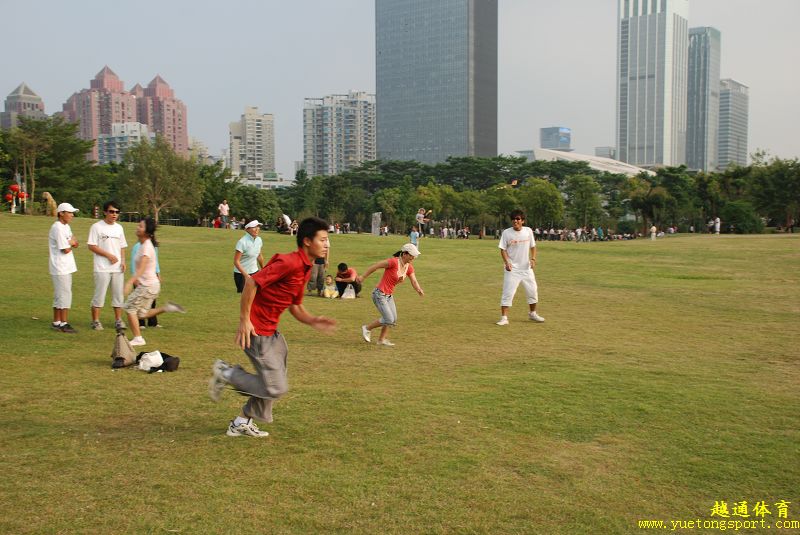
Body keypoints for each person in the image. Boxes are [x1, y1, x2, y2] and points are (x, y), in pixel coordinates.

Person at [208, 217, 337, 438]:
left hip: (272, 333)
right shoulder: (289, 263)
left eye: (327, 240)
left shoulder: (305, 268)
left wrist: (313, 320)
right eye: (323, 240)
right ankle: (226, 373)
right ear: (307, 241)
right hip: (256, 331)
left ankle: (241, 422)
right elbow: (252, 282)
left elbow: (295, 306)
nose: (327, 245)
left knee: (273, 382)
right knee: (276, 387)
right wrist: (245, 319)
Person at [123, 217, 185, 346]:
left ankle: (138, 338)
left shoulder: (146, 247)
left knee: (130, 308)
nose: (137, 228)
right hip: (151, 285)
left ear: (147, 232)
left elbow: (142, 268)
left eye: (141, 226)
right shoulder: (143, 245)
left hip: (147, 286)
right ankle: (168, 308)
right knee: (142, 314)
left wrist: (130, 282)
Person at [358, 243, 424, 347]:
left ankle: (381, 340)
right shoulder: (393, 262)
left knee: (393, 319)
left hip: (388, 296)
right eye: (412, 255)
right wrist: (363, 277)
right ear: (405, 254)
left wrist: (418, 289)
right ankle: (367, 328)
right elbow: (376, 266)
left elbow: (414, 281)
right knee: (389, 319)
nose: (413, 258)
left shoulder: (409, 267)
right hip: (379, 294)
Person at [496, 209, 545, 326]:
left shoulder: (528, 231)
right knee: (508, 293)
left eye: (518, 219)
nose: (515, 221)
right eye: (513, 219)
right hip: (512, 269)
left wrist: (533, 259)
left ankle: (532, 314)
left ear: (522, 221)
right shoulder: (507, 233)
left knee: (532, 290)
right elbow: (502, 249)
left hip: (526, 268)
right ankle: (504, 318)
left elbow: (533, 246)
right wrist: (507, 262)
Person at [87, 200, 128, 331]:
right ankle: (95, 321)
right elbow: (91, 246)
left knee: (118, 295)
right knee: (99, 295)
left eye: (117, 212)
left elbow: (122, 246)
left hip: (117, 268)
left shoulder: (119, 228)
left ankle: (118, 320)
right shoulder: (96, 227)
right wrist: (108, 255)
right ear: (105, 212)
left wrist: (123, 261)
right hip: (102, 267)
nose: (114, 214)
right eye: (111, 211)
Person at [49, 202, 80, 333]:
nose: (72, 215)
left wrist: (71, 242)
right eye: (70, 212)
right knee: (64, 294)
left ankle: (56, 321)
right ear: (61, 213)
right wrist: (70, 242)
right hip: (60, 266)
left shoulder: (66, 227)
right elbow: (65, 249)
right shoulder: (57, 228)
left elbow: (75, 242)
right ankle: (63, 323)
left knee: (60, 294)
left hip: (65, 266)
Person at [129, 239, 161, 329]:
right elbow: (133, 263)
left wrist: (158, 273)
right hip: (141, 277)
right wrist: (135, 277)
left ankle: (153, 322)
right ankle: (141, 323)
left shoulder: (154, 246)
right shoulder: (137, 246)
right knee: (139, 300)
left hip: (151, 277)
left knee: (152, 300)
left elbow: (155, 262)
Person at [233, 219, 266, 293]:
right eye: (254, 227)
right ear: (247, 229)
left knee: (258, 295)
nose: (257, 229)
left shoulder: (259, 240)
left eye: (258, 226)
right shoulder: (242, 242)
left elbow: (259, 256)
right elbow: (236, 261)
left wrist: (263, 269)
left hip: (255, 272)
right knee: (247, 298)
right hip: (241, 275)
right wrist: (246, 276)